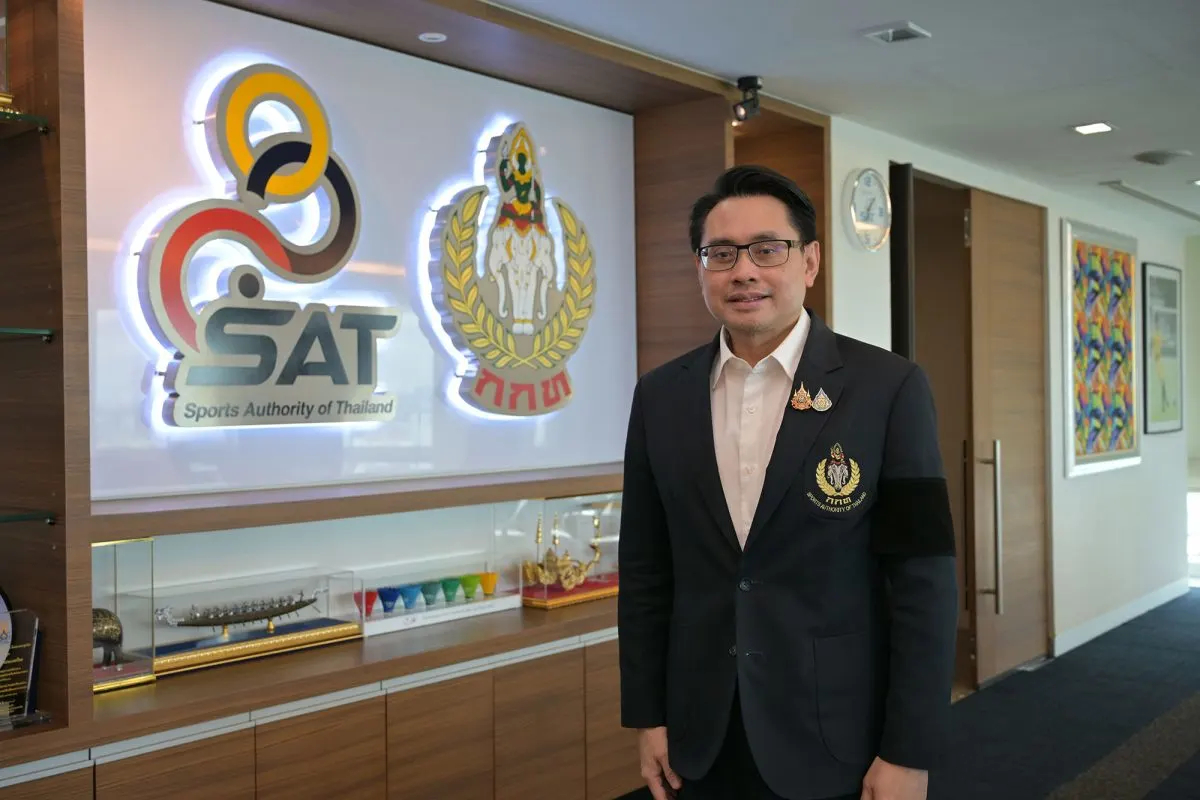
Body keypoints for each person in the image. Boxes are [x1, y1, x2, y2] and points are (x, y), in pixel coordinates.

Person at [616, 165, 959, 800]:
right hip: (700, 731)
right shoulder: (660, 397)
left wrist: (909, 751)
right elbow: (645, 569)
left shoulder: (888, 389)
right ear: (700, 269)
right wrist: (647, 713)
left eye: (767, 249)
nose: (743, 271)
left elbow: (925, 581)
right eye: (721, 254)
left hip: (837, 732)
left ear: (810, 261)